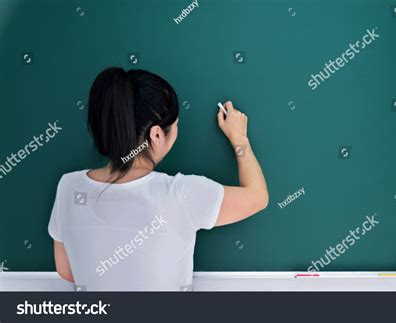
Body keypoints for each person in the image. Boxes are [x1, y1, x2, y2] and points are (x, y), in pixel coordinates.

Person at [48, 67, 268, 291]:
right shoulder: (181, 193)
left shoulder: (69, 187)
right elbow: (258, 197)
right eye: (175, 125)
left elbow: (67, 271)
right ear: (156, 135)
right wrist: (239, 138)